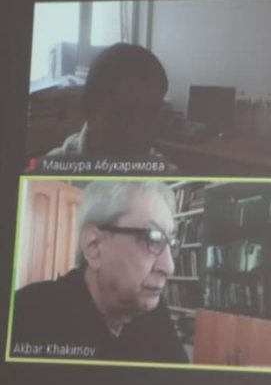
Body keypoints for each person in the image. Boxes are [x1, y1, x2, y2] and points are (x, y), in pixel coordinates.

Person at [10, 181, 188, 363]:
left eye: (171, 242)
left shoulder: (154, 309)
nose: (169, 267)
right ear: (94, 246)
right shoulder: (23, 317)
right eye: (153, 238)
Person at [46, 43, 173, 166]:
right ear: (89, 109)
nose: (137, 132)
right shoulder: (49, 173)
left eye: (150, 115)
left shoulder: (167, 175)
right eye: (123, 114)